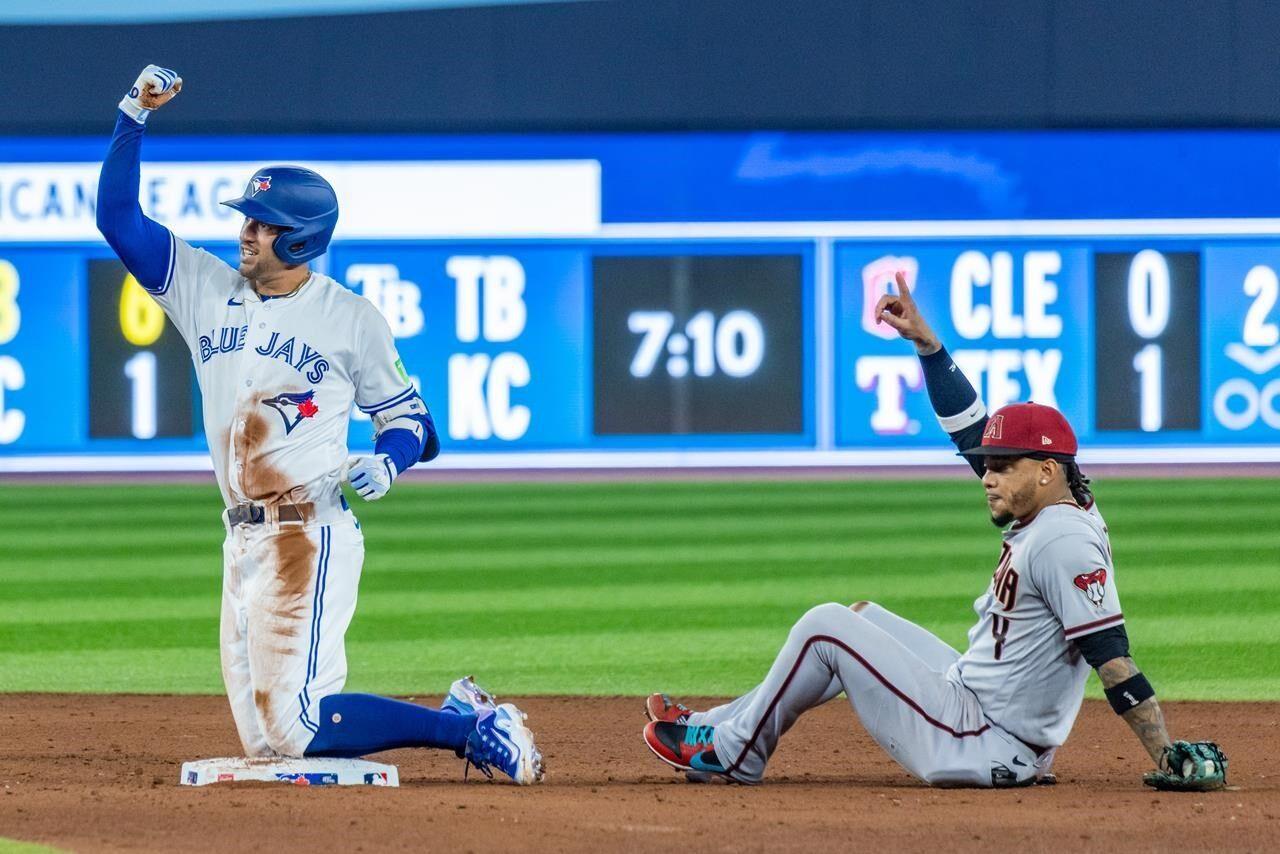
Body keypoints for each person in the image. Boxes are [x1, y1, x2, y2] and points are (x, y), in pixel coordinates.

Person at [97, 65, 543, 784]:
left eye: (263, 224)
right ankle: (465, 710)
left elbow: (414, 420)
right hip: (240, 538)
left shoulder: (348, 319)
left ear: (300, 240)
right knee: (269, 744)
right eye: (246, 217)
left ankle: (470, 731)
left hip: (308, 534)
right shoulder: (205, 287)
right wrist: (132, 115)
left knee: (298, 728)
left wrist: (390, 459)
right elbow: (118, 220)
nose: (245, 231)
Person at [642, 271, 1224, 791]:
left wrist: (1166, 751)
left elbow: (1111, 656)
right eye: (989, 466)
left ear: (1046, 471)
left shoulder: (1061, 540)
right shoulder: (1059, 506)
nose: (986, 476)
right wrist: (929, 347)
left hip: (983, 740)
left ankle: (734, 752)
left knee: (826, 626)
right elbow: (970, 428)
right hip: (977, 710)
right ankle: (715, 725)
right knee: (862, 616)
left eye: (1002, 467)